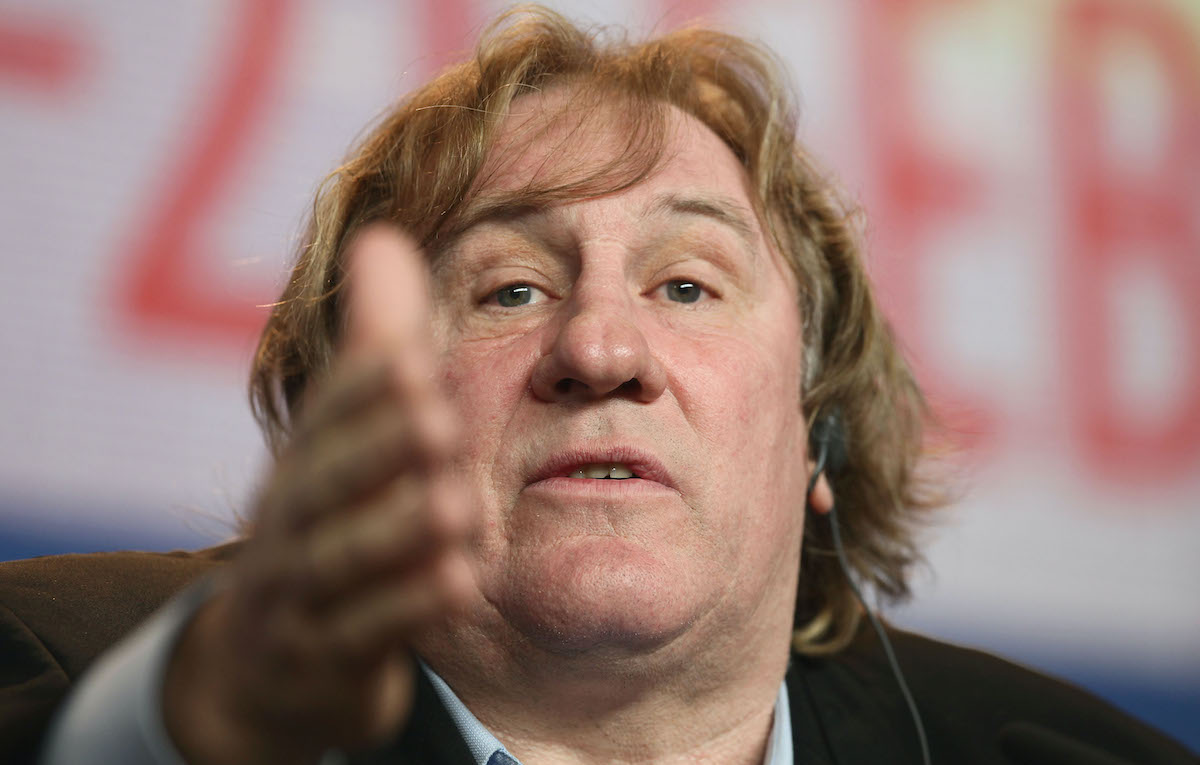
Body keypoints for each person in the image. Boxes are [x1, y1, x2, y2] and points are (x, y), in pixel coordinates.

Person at [0, 6, 1194, 765]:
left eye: (686, 285)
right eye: (511, 289)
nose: (602, 350)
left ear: (817, 428)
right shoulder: (58, 670)